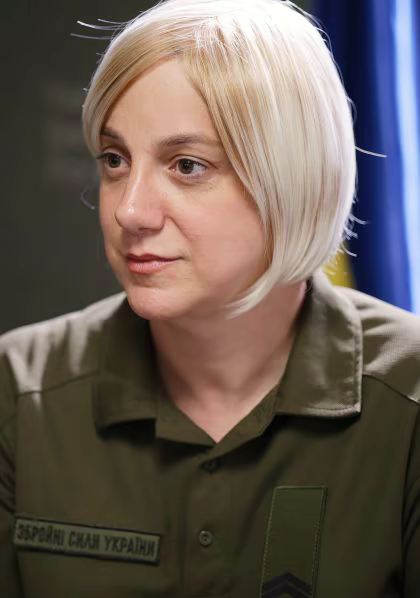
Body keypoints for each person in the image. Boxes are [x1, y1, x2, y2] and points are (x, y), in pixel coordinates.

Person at [1, 0, 419, 595]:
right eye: (115, 160)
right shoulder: (18, 393)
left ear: (291, 178)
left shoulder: (409, 400)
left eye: (187, 165)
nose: (129, 211)